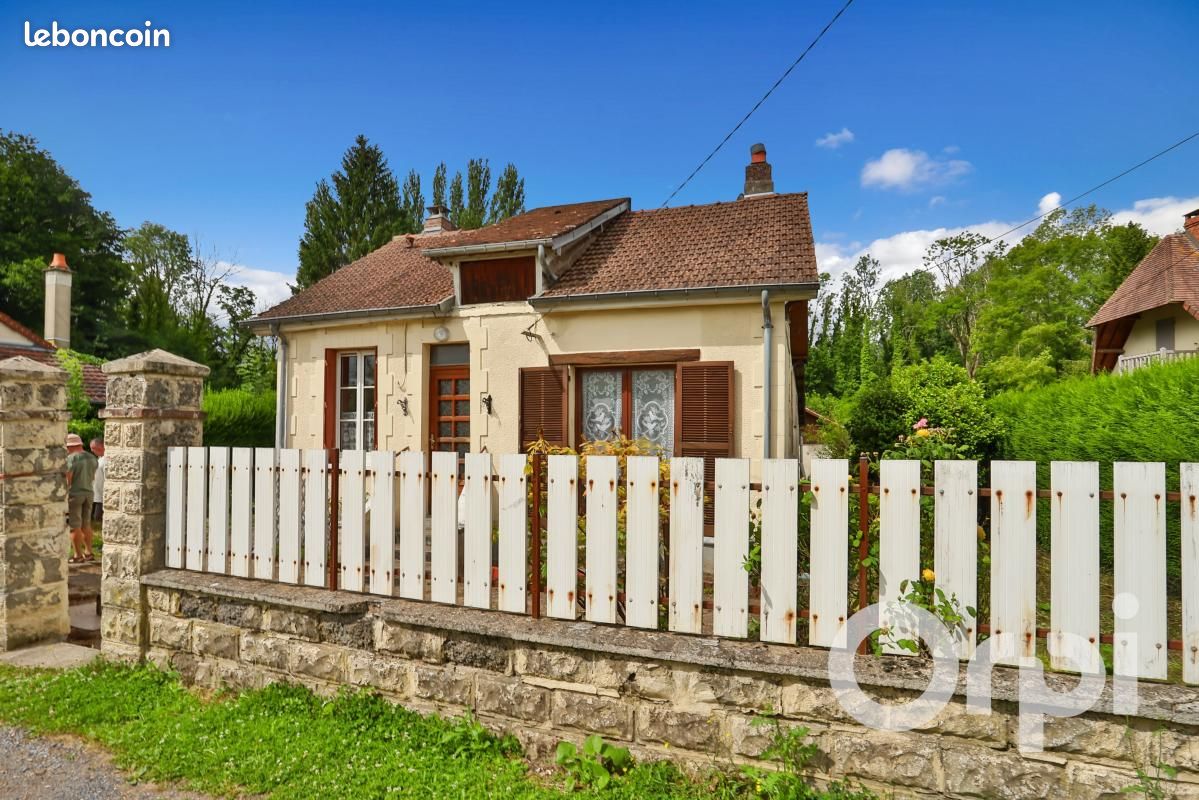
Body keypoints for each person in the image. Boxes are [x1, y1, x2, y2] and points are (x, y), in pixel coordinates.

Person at [64, 433, 98, 564]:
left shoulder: (71, 458)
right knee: (86, 524)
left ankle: (77, 555)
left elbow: (68, 480)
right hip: (89, 493)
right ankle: (89, 552)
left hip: (75, 494)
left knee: (74, 526)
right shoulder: (92, 457)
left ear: (70, 446)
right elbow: (93, 477)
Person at [90, 437, 106, 528]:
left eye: (93, 448)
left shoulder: (106, 459)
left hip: (102, 496)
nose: (92, 451)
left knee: (98, 517)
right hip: (96, 494)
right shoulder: (100, 459)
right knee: (96, 518)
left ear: (101, 446)